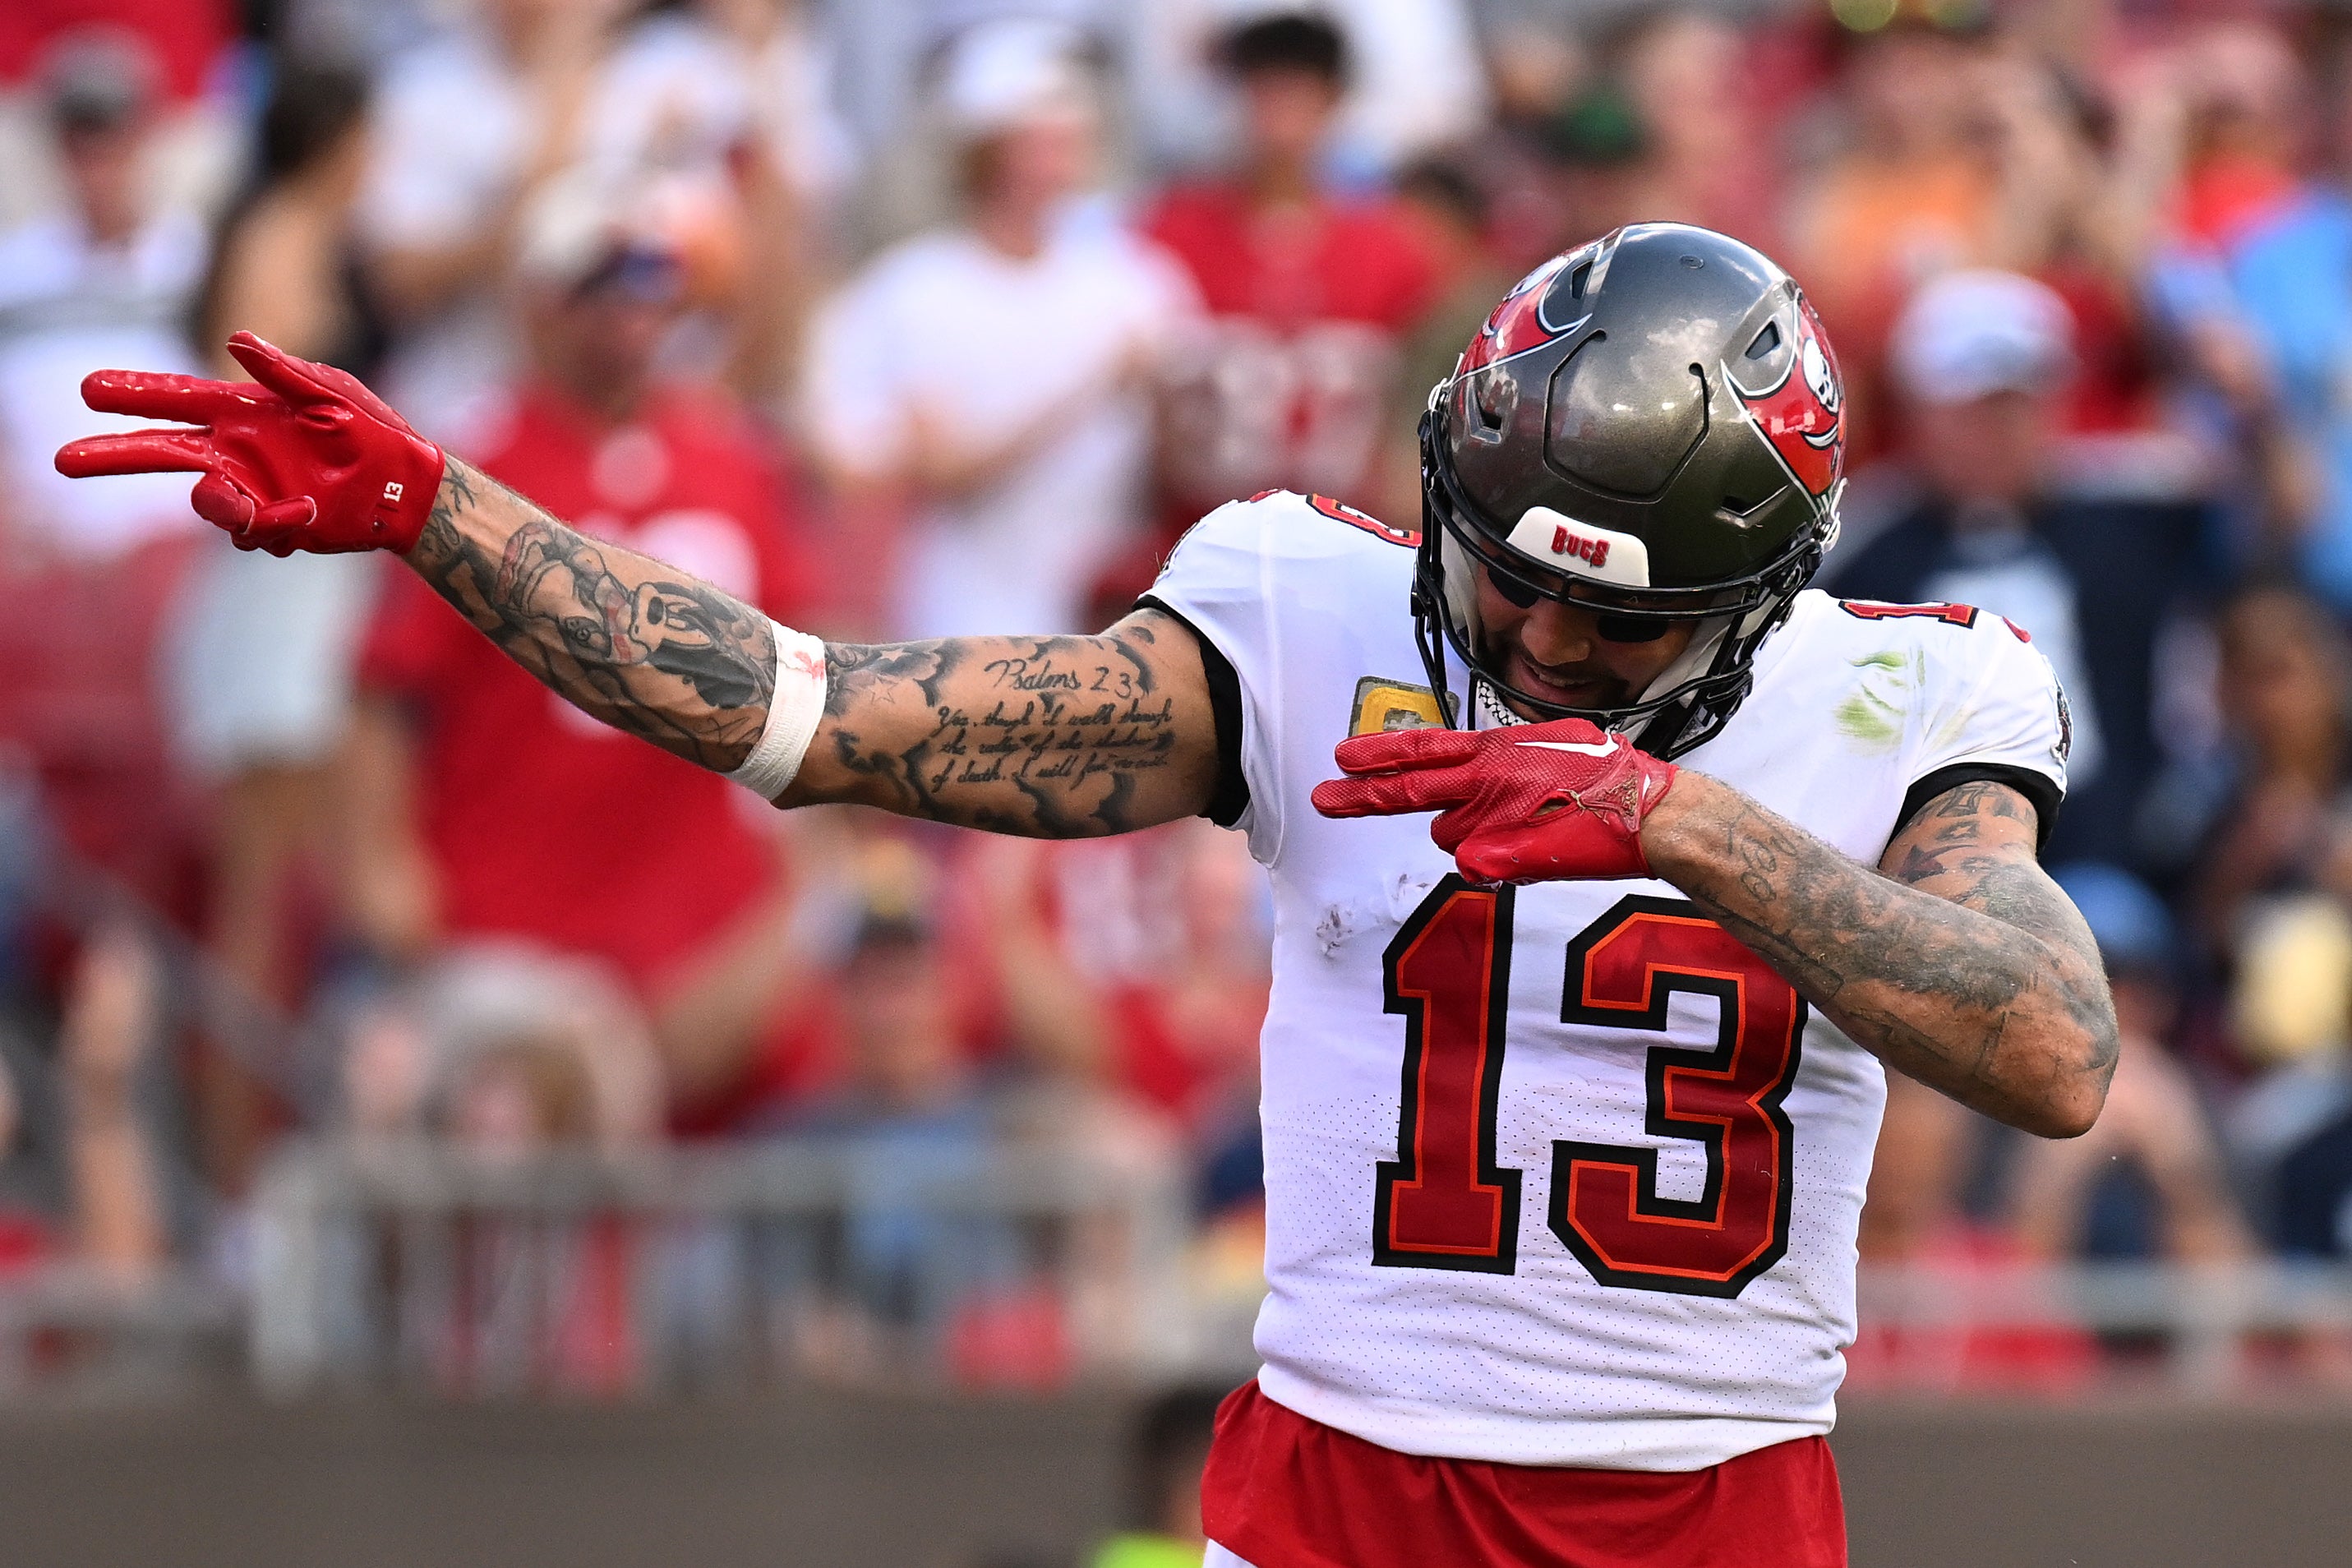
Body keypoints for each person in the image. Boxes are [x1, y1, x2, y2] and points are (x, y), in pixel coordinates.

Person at [58, 221, 2119, 1566]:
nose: (1535, 642)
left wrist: (1675, 822)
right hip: (1329, 1492)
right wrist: (442, 511)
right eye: (1503, 574)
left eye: (1616, 624)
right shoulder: (1305, 613)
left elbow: (2050, 1050)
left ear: (1760, 592)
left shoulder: (1906, 694)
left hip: (1712, 1504)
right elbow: (816, 716)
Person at [340, 191, 818, 1119]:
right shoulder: (471, 469)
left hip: (704, 918)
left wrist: (791, 899)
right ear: (541, 302)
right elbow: (387, 687)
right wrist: (381, 863)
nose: (630, 314)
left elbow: (811, 676)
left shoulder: (730, 463)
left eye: (651, 284)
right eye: (601, 286)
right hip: (513, 916)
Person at [799, 18, 1196, 640]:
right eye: (1035, 142)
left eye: (1067, 139)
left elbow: (1183, 470)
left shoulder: (1139, 281)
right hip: (959, 625)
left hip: (1116, 622)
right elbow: (914, 473)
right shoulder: (908, 292)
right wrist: (1096, 383)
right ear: (983, 153)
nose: (1055, 163)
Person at [1819, 269, 2204, 866]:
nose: (2000, 432)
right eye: (1974, 410)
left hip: (2125, 857)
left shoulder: (2141, 513)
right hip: (1926, 872)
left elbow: (2276, 529)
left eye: (2021, 404)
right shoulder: (1857, 550)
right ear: (1916, 413)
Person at [1142, 12, 1438, 544]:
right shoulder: (1167, 236)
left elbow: (1415, 408)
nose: (1280, 118)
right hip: (1192, 543)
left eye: (1299, 94)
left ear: (1333, 102)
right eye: (1265, 92)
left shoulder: (1395, 250)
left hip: (1345, 543)